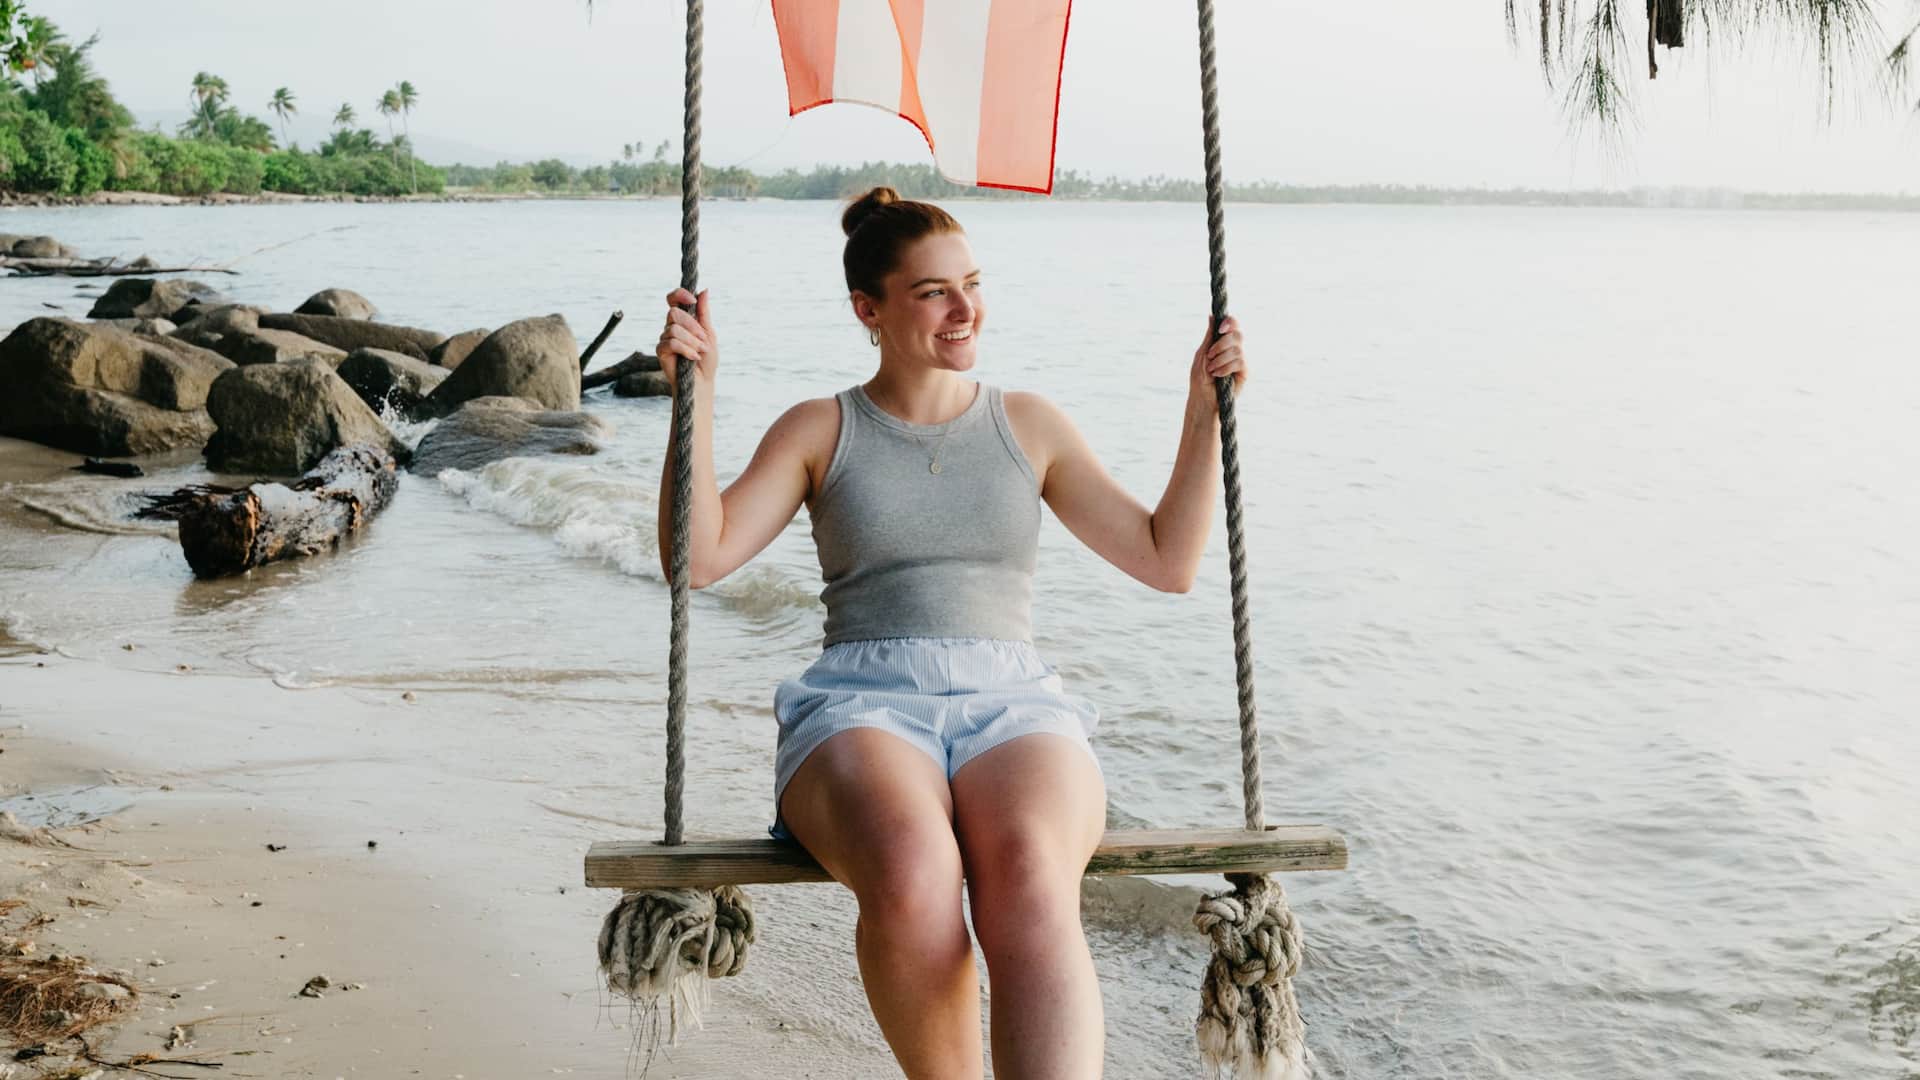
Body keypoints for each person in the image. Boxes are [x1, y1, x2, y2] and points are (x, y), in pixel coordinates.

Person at [654, 186, 1248, 1080]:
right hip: (861, 703)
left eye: (971, 284)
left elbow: (1168, 559)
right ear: (869, 309)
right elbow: (697, 558)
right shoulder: (822, 428)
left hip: (1012, 703)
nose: (965, 309)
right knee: (911, 868)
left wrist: (1203, 409)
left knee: (1031, 870)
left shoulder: (1029, 424)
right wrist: (692, 398)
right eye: (933, 292)